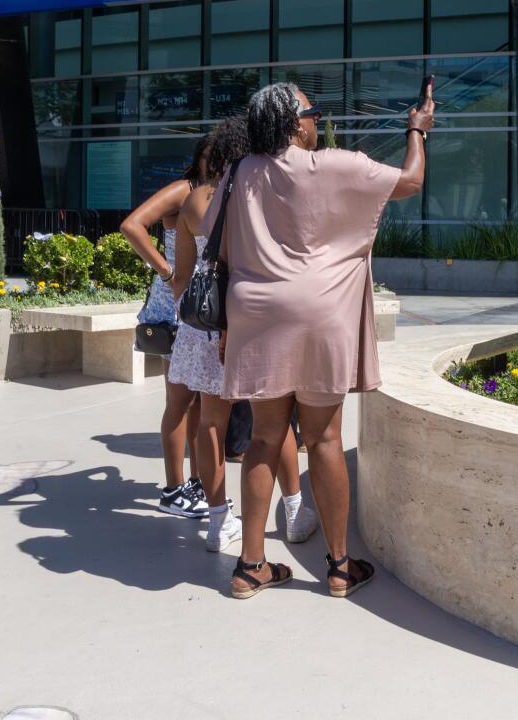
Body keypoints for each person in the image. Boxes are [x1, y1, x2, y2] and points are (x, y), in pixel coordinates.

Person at [217, 82, 432, 599]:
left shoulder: (240, 171)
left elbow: (215, 239)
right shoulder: (336, 164)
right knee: (325, 438)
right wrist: (416, 131)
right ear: (295, 124)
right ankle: (338, 566)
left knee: (265, 438)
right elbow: (410, 181)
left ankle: (250, 567)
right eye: (312, 113)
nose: (316, 121)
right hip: (320, 314)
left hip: (256, 315)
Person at [172, 115, 317, 554]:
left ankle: (219, 523)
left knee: (211, 423)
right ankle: (293, 512)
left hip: (206, 326)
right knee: (273, 424)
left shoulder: (197, 200)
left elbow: (180, 277)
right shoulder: (259, 196)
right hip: (253, 323)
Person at [121, 138, 209, 519]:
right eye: (214, 156)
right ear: (201, 158)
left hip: (198, 306)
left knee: (198, 404)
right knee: (180, 402)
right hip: (175, 307)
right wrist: (168, 271)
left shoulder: (211, 193)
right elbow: (132, 225)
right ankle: (174, 490)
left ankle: (193, 483)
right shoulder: (184, 190)